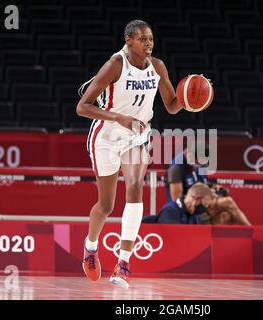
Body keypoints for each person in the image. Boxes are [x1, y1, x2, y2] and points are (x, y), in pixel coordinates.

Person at [76, 20, 184, 289]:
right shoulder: (115, 64)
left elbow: (172, 107)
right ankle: (91, 247)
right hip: (107, 136)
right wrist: (118, 117)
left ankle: (122, 264)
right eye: (143, 39)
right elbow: (82, 106)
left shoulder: (157, 67)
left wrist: (190, 98)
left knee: (135, 187)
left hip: (137, 135)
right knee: (106, 205)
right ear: (129, 40)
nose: (149, 43)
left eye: (151, 39)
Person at [165, 145, 251, 226]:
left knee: (225, 217)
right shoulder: (176, 169)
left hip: (201, 206)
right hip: (188, 212)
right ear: (189, 154)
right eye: (197, 162)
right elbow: (177, 201)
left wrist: (215, 188)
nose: (198, 165)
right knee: (228, 202)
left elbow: (203, 184)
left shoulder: (197, 163)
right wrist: (201, 199)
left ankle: (210, 240)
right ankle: (253, 232)